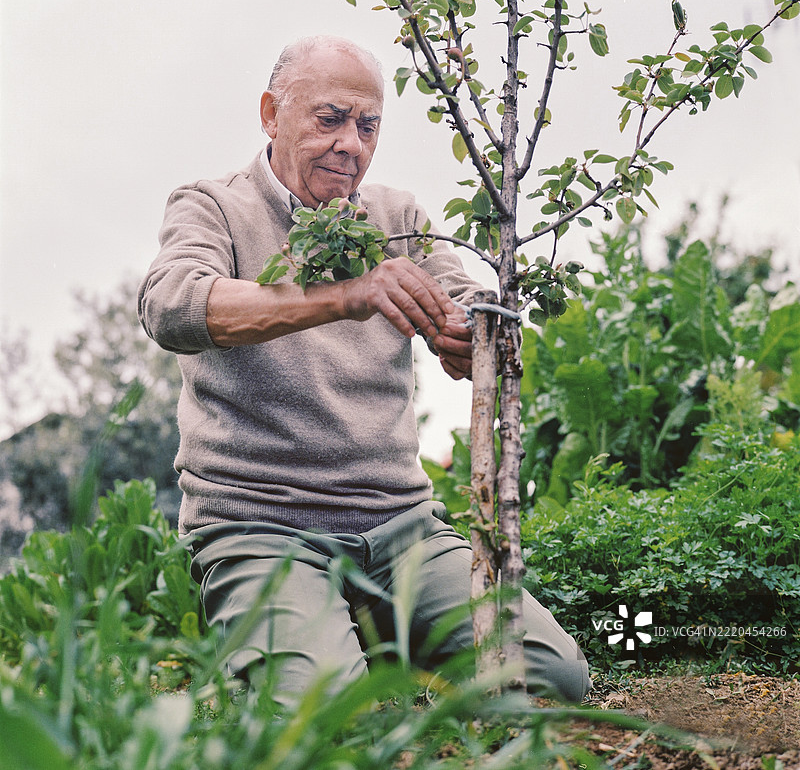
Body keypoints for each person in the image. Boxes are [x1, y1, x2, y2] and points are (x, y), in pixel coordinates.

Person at [138, 35, 590, 706]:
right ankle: (317, 643)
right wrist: (343, 296)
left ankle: (366, 632)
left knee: (551, 681)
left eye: (368, 124)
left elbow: (467, 306)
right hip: (262, 528)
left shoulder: (397, 217)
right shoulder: (212, 206)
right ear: (271, 114)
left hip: (400, 525)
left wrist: (472, 338)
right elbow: (172, 306)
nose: (351, 142)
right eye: (330, 119)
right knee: (325, 720)